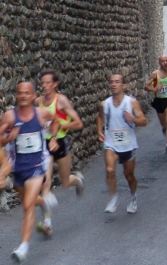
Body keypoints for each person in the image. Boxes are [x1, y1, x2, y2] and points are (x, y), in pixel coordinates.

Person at [0, 81, 60, 263]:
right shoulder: (10, 116)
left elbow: (55, 121)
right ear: (17, 96)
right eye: (20, 93)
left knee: (27, 206)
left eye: (27, 93)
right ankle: (44, 205)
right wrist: (10, 137)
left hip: (37, 165)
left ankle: (23, 247)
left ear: (34, 96)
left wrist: (53, 138)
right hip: (18, 166)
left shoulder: (41, 114)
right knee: (30, 201)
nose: (23, 96)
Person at [35, 69, 85, 236]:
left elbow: (78, 123)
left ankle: (77, 180)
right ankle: (48, 224)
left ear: (55, 84)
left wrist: (61, 125)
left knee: (65, 182)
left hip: (61, 143)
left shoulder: (61, 100)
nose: (44, 85)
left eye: (48, 82)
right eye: (42, 83)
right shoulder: (38, 102)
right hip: (46, 145)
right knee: (45, 184)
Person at [97, 74, 148, 214]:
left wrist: (132, 119)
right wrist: (99, 131)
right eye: (112, 82)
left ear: (124, 85)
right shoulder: (104, 104)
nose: (114, 84)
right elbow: (100, 117)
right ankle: (114, 198)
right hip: (111, 144)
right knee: (110, 170)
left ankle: (133, 197)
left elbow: (144, 121)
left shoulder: (131, 103)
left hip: (128, 145)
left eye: (117, 82)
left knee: (129, 175)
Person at [145, 56, 167, 152]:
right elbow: (146, 87)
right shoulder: (155, 74)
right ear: (159, 63)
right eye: (163, 61)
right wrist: (154, 89)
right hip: (159, 101)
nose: (165, 63)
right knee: (163, 123)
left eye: (166, 61)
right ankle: (165, 129)